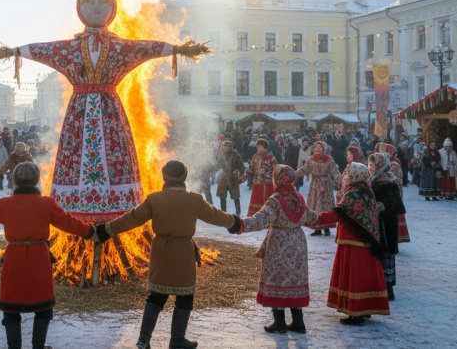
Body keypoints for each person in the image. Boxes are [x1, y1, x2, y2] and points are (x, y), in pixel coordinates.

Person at [0, 0, 209, 224]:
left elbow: (146, 47)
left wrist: (178, 49)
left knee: (110, 150)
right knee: (82, 151)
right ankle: (77, 208)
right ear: (80, 10)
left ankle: (115, 209)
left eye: (103, 3)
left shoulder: (120, 47)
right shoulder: (69, 48)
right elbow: (44, 49)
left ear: (112, 10)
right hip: (80, 113)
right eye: (90, 3)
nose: (97, 7)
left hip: (109, 111)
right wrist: (14, 52)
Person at [95, 161, 240, 349]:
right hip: (183, 254)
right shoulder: (195, 200)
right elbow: (216, 216)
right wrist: (234, 223)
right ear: (184, 177)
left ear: (164, 177)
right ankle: (177, 340)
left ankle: (144, 339)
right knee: (185, 297)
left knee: (155, 296)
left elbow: (132, 219)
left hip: (161, 251)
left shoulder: (154, 199)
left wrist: (106, 230)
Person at [0, 162, 95, 349]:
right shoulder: (47, 203)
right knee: (43, 309)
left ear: (15, 181)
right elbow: (69, 222)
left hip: (14, 258)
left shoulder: (5, 204)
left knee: (12, 309)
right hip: (39, 259)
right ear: (37, 181)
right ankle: (38, 346)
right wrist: (90, 231)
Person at [232, 165, 315, 334]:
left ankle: (279, 323)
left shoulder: (276, 199)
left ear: (277, 178)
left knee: (278, 278)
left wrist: (239, 225)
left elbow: (261, 220)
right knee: (294, 279)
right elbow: (311, 217)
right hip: (298, 242)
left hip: (279, 243)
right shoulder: (298, 197)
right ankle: (298, 322)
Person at [306, 163, 390, 325]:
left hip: (354, 241)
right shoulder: (366, 189)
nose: (347, 177)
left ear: (355, 176)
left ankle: (356, 312)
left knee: (355, 275)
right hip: (366, 241)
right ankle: (364, 308)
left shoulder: (354, 193)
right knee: (364, 274)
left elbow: (339, 212)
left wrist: (316, 218)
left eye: (349, 174)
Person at [368, 153, 404, 301]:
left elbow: (390, 203)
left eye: (372, 165)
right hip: (377, 222)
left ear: (380, 166)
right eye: (369, 165)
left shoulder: (387, 181)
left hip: (386, 223)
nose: (369, 168)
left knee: (386, 253)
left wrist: (378, 206)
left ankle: (388, 289)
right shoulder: (374, 179)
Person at [296, 140, 341, 236]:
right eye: (316, 147)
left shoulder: (329, 159)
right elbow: (304, 169)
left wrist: (340, 180)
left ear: (324, 148)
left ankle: (326, 227)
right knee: (315, 205)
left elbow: (335, 172)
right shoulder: (311, 159)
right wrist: (294, 174)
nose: (317, 149)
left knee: (326, 206)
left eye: (320, 147)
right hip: (315, 185)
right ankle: (317, 228)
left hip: (325, 184)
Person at [245, 139, 278, 217]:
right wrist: (243, 178)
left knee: (266, 202)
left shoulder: (271, 157)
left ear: (265, 147)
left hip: (267, 184)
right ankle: (256, 217)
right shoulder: (255, 156)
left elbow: (275, 170)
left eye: (260, 146)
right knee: (256, 201)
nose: (258, 148)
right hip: (257, 183)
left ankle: (267, 217)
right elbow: (251, 169)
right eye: (257, 146)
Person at [216, 140, 246, 214]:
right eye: (224, 147)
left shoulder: (236, 155)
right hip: (224, 177)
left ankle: (238, 213)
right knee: (222, 196)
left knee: (235, 197)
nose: (225, 148)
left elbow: (242, 167)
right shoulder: (222, 155)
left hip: (233, 178)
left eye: (227, 147)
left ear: (230, 147)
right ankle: (223, 213)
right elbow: (217, 165)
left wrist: (238, 174)